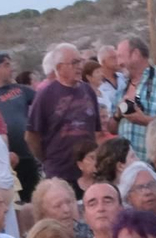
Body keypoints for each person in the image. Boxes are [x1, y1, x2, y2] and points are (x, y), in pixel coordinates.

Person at [28, 44, 103, 187]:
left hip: (87, 173)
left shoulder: (88, 91)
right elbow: (31, 135)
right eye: (74, 62)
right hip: (59, 173)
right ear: (60, 67)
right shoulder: (45, 95)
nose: (80, 66)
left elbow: (96, 130)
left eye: (81, 61)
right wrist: (46, 159)